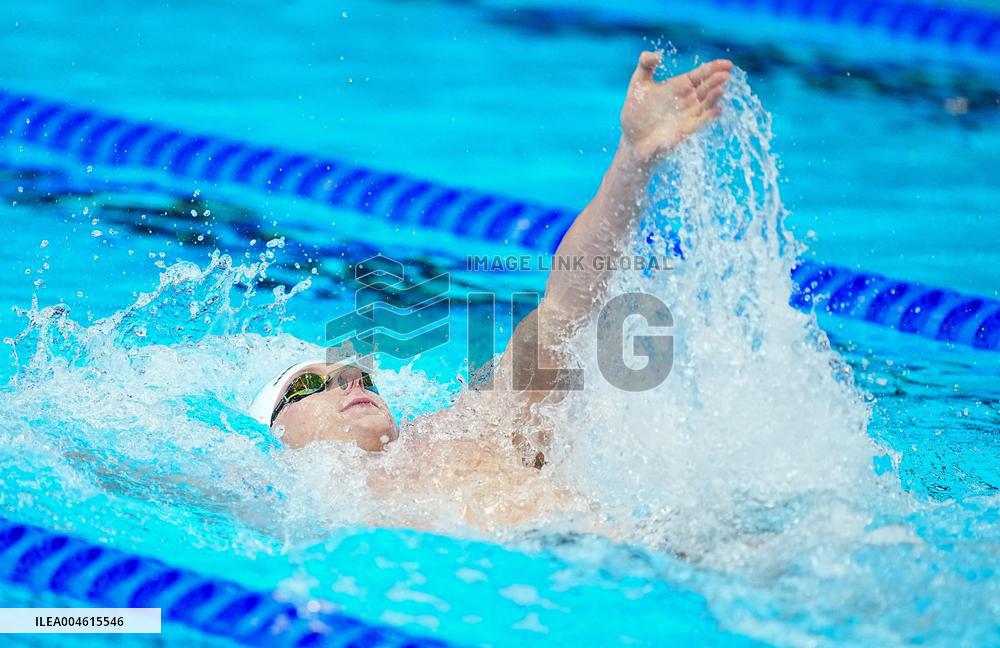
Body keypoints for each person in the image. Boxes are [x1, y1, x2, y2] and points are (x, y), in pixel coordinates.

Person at [249, 52, 733, 529]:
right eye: (310, 384)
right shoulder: (289, 506)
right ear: (278, 436)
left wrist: (633, 159)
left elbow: (563, 308)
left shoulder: (459, 434)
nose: (352, 382)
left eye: (361, 377)